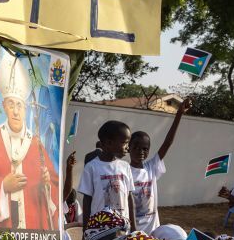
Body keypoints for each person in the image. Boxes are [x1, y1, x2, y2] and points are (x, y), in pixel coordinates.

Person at [0, 52, 60, 233]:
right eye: (11, 104)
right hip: (3, 228)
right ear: (4, 107)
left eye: (19, 105)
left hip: (32, 226)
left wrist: (47, 184)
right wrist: (3, 186)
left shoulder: (36, 144)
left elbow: (53, 183)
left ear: (25, 108)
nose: (15, 111)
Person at [129, 95, 189, 232]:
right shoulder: (125, 171)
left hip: (152, 229)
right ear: (129, 148)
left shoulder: (151, 167)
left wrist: (179, 114)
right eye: (136, 147)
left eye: (145, 148)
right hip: (132, 230)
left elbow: (168, 143)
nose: (141, 151)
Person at [78, 120, 133, 224]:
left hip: (123, 226)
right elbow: (87, 200)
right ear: (109, 143)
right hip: (100, 228)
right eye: (124, 142)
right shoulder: (91, 167)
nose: (127, 147)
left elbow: (130, 198)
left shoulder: (125, 166)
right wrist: (86, 228)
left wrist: (133, 227)